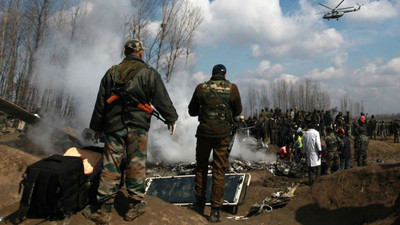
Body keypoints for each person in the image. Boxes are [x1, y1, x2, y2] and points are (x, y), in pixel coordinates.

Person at [84, 39, 178, 224]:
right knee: (136, 164)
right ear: (140, 53)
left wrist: (96, 127)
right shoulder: (149, 73)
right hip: (138, 126)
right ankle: (135, 205)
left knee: (110, 165)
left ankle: (103, 209)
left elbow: (100, 103)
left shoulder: (111, 72)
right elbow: (161, 99)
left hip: (113, 126)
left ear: (126, 52)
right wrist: (171, 118)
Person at [188, 64, 242, 222]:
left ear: (212, 74)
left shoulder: (201, 88)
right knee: (219, 171)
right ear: (224, 76)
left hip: (204, 134)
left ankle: (199, 204)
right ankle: (215, 211)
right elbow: (238, 111)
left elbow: (192, 111)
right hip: (223, 136)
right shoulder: (232, 88)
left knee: (201, 168)